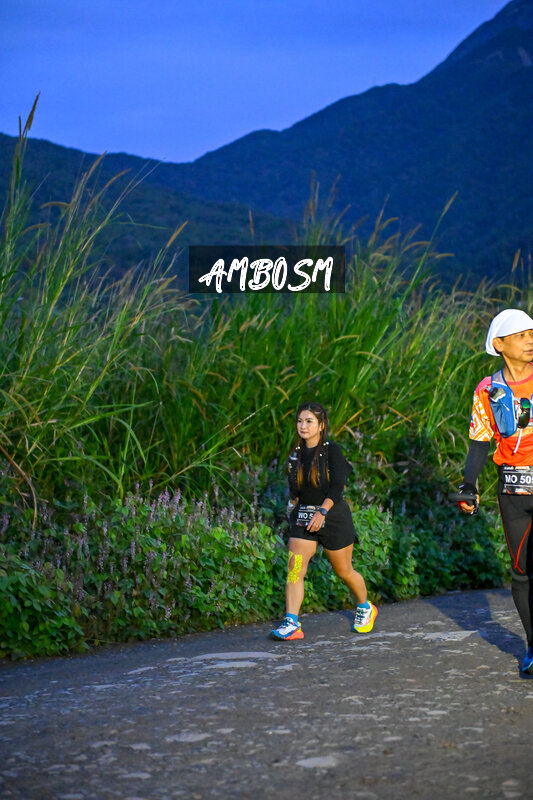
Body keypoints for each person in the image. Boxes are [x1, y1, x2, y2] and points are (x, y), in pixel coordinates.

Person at [457, 308, 533, 675]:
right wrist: (469, 486)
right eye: (521, 335)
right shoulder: (487, 390)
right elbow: (479, 443)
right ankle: (532, 647)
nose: (530, 341)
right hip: (513, 491)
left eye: (532, 334)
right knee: (521, 572)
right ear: (500, 344)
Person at [271, 401, 377, 640]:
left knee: (344, 571)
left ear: (321, 425)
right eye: (300, 421)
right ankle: (292, 623)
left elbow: (337, 487)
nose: (303, 426)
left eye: (309, 421)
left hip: (333, 516)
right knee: (294, 570)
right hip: (304, 517)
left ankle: (365, 607)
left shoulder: (332, 451)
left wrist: (322, 512)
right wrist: (292, 508)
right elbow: (295, 489)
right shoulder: (296, 454)